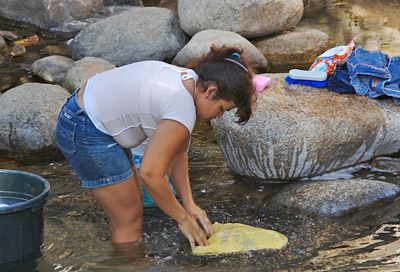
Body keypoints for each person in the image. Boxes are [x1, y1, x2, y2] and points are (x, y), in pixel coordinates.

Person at [55, 45, 255, 251]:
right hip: (87, 127)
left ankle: (122, 247)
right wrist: (183, 219)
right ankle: (130, 265)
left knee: (132, 205)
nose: (220, 116)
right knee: (129, 219)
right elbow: (150, 175)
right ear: (211, 91)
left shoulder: (187, 80)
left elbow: (178, 153)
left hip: (86, 114)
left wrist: (189, 203)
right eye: (222, 108)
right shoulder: (182, 107)